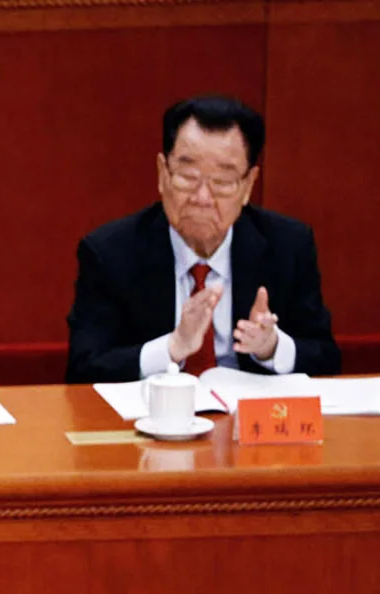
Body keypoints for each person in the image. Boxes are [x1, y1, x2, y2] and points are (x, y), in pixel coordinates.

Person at [66, 95, 339, 383]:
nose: (202, 198)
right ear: (162, 174)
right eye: (187, 176)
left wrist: (271, 348)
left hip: (246, 422)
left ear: (248, 186)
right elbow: (84, 368)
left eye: (222, 182)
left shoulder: (288, 246)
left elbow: (326, 358)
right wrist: (172, 348)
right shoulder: (110, 252)